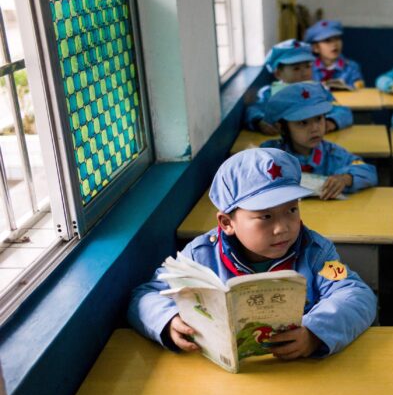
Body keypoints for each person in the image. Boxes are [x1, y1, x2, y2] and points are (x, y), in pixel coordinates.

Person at [128, 148, 377, 358]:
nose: (283, 228)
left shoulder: (315, 252)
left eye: (291, 210)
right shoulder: (199, 256)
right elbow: (146, 295)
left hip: (298, 372)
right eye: (265, 216)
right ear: (227, 223)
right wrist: (168, 320)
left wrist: (315, 333)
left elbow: (356, 293)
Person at [261, 82, 377, 199]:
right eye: (303, 122)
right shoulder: (270, 156)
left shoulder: (333, 154)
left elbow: (369, 172)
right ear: (282, 127)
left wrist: (345, 178)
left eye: (319, 118)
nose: (315, 128)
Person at [244, 39, 352, 135]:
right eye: (296, 68)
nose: (304, 72)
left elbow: (343, 111)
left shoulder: (318, 90)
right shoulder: (269, 93)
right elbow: (253, 111)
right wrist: (259, 122)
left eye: (307, 66)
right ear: (278, 73)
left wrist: (332, 122)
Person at [304, 20, 364, 89]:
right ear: (315, 48)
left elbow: (359, 91)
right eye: (327, 40)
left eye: (337, 38)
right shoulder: (309, 69)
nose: (334, 44)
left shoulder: (351, 67)